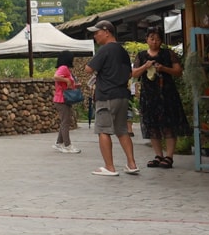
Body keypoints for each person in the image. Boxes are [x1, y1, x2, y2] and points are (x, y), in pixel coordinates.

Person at [130, 26, 190, 169]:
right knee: (152, 126)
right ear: (147, 40)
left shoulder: (168, 54)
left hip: (167, 94)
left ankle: (169, 156)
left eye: (157, 39)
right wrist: (145, 66)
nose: (155, 42)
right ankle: (158, 155)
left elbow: (178, 71)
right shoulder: (141, 55)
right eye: (152, 39)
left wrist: (163, 69)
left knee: (169, 124)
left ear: (161, 41)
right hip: (149, 95)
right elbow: (134, 73)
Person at [85, 20, 139, 176]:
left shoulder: (105, 49)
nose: (95, 36)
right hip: (122, 95)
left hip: (107, 96)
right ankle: (131, 164)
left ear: (106, 32)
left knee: (103, 130)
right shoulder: (122, 51)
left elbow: (88, 69)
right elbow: (130, 73)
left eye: (97, 32)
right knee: (122, 130)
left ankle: (109, 167)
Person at [52, 51, 81, 153]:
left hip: (64, 99)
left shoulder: (65, 69)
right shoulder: (63, 68)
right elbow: (56, 76)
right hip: (61, 99)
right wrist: (67, 81)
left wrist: (74, 85)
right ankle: (67, 145)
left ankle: (58, 143)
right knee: (66, 122)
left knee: (65, 121)